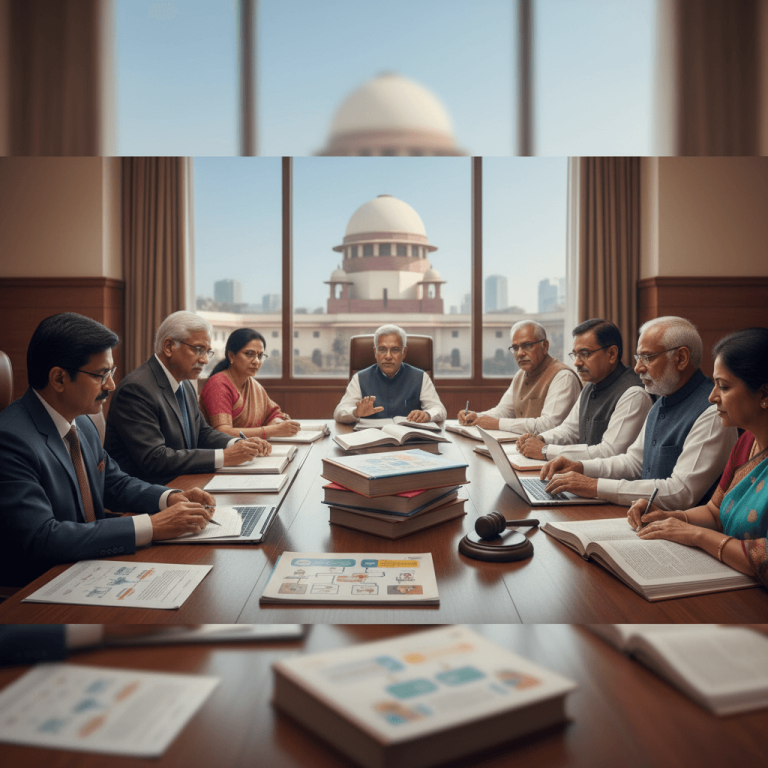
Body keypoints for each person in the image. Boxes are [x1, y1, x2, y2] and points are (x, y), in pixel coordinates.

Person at [0, 313, 217, 587]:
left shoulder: (82, 423)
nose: (111, 385)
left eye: (111, 372)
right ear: (58, 378)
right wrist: (153, 526)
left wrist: (170, 498)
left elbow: (114, 483)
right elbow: (43, 537)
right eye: (101, 375)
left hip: (92, 567)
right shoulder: (10, 439)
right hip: (41, 585)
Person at [541, 316, 738, 510]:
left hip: (683, 535)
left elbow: (680, 492)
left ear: (681, 358)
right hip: (647, 521)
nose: (637, 367)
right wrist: (580, 467)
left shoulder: (712, 413)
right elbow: (634, 462)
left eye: (647, 357)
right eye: (638, 358)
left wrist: (595, 486)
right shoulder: (661, 401)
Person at [627, 328, 768, 588]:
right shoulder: (746, 441)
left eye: (723, 387)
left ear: (764, 394)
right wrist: (674, 518)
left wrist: (696, 535)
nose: (712, 396)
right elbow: (715, 511)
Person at [105, 311, 270, 486]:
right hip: (151, 494)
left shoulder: (185, 385)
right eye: (199, 350)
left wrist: (238, 443)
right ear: (169, 346)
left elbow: (202, 433)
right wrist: (225, 457)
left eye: (208, 352)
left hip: (184, 482)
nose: (205, 360)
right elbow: (155, 459)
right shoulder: (136, 389)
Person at [517, 318, 652, 461]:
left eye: (585, 354)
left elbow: (609, 452)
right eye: (575, 354)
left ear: (612, 354)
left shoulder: (634, 393)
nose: (576, 362)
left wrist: (545, 450)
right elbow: (569, 430)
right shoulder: (591, 385)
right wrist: (540, 439)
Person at [458, 320, 581, 434]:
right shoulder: (520, 374)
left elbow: (549, 425)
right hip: (525, 448)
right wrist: (476, 417)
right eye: (515, 348)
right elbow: (504, 411)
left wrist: (496, 424)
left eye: (527, 345)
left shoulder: (563, 376)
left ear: (545, 346)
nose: (520, 353)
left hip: (554, 454)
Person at [334, 324, 447, 424]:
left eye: (394, 350)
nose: (388, 356)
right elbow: (339, 412)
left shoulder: (421, 377)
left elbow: (439, 409)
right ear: (375, 352)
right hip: (371, 443)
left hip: (410, 443)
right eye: (382, 349)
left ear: (404, 353)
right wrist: (355, 412)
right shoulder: (359, 378)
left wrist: (427, 414)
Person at [200, 328, 301, 439]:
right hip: (224, 453)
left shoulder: (254, 386)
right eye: (249, 354)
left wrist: (277, 422)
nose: (256, 361)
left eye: (260, 356)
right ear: (231, 356)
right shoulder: (218, 385)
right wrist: (272, 430)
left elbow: (273, 413)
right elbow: (223, 432)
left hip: (253, 449)